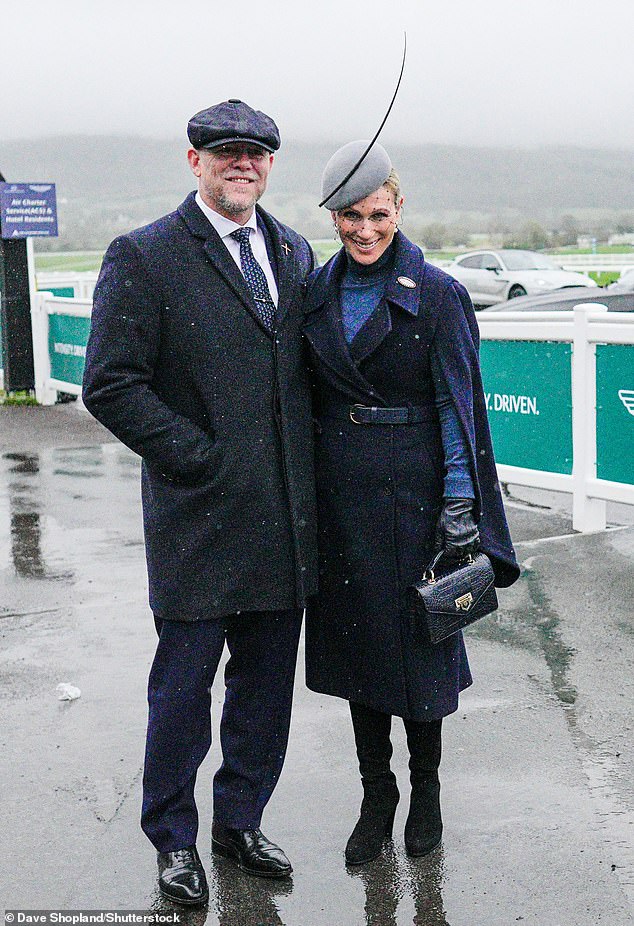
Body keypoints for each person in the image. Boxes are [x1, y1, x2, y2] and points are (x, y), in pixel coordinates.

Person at [82, 100, 318, 905]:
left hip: (282, 526)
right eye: (225, 153)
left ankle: (240, 821)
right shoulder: (145, 255)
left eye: (254, 153)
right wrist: (200, 459)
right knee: (181, 695)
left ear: (270, 164)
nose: (240, 164)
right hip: (198, 521)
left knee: (263, 692)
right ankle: (173, 841)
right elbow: (110, 384)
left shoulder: (293, 251)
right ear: (195, 162)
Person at [303, 140, 520, 866]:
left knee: (421, 654)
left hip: (417, 498)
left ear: (400, 209)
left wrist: (460, 508)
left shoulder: (438, 293)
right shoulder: (316, 293)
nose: (365, 230)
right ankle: (378, 795)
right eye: (351, 217)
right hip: (343, 498)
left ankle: (425, 790)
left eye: (379, 215)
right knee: (361, 652)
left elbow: (459, 408)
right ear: (333, 217)